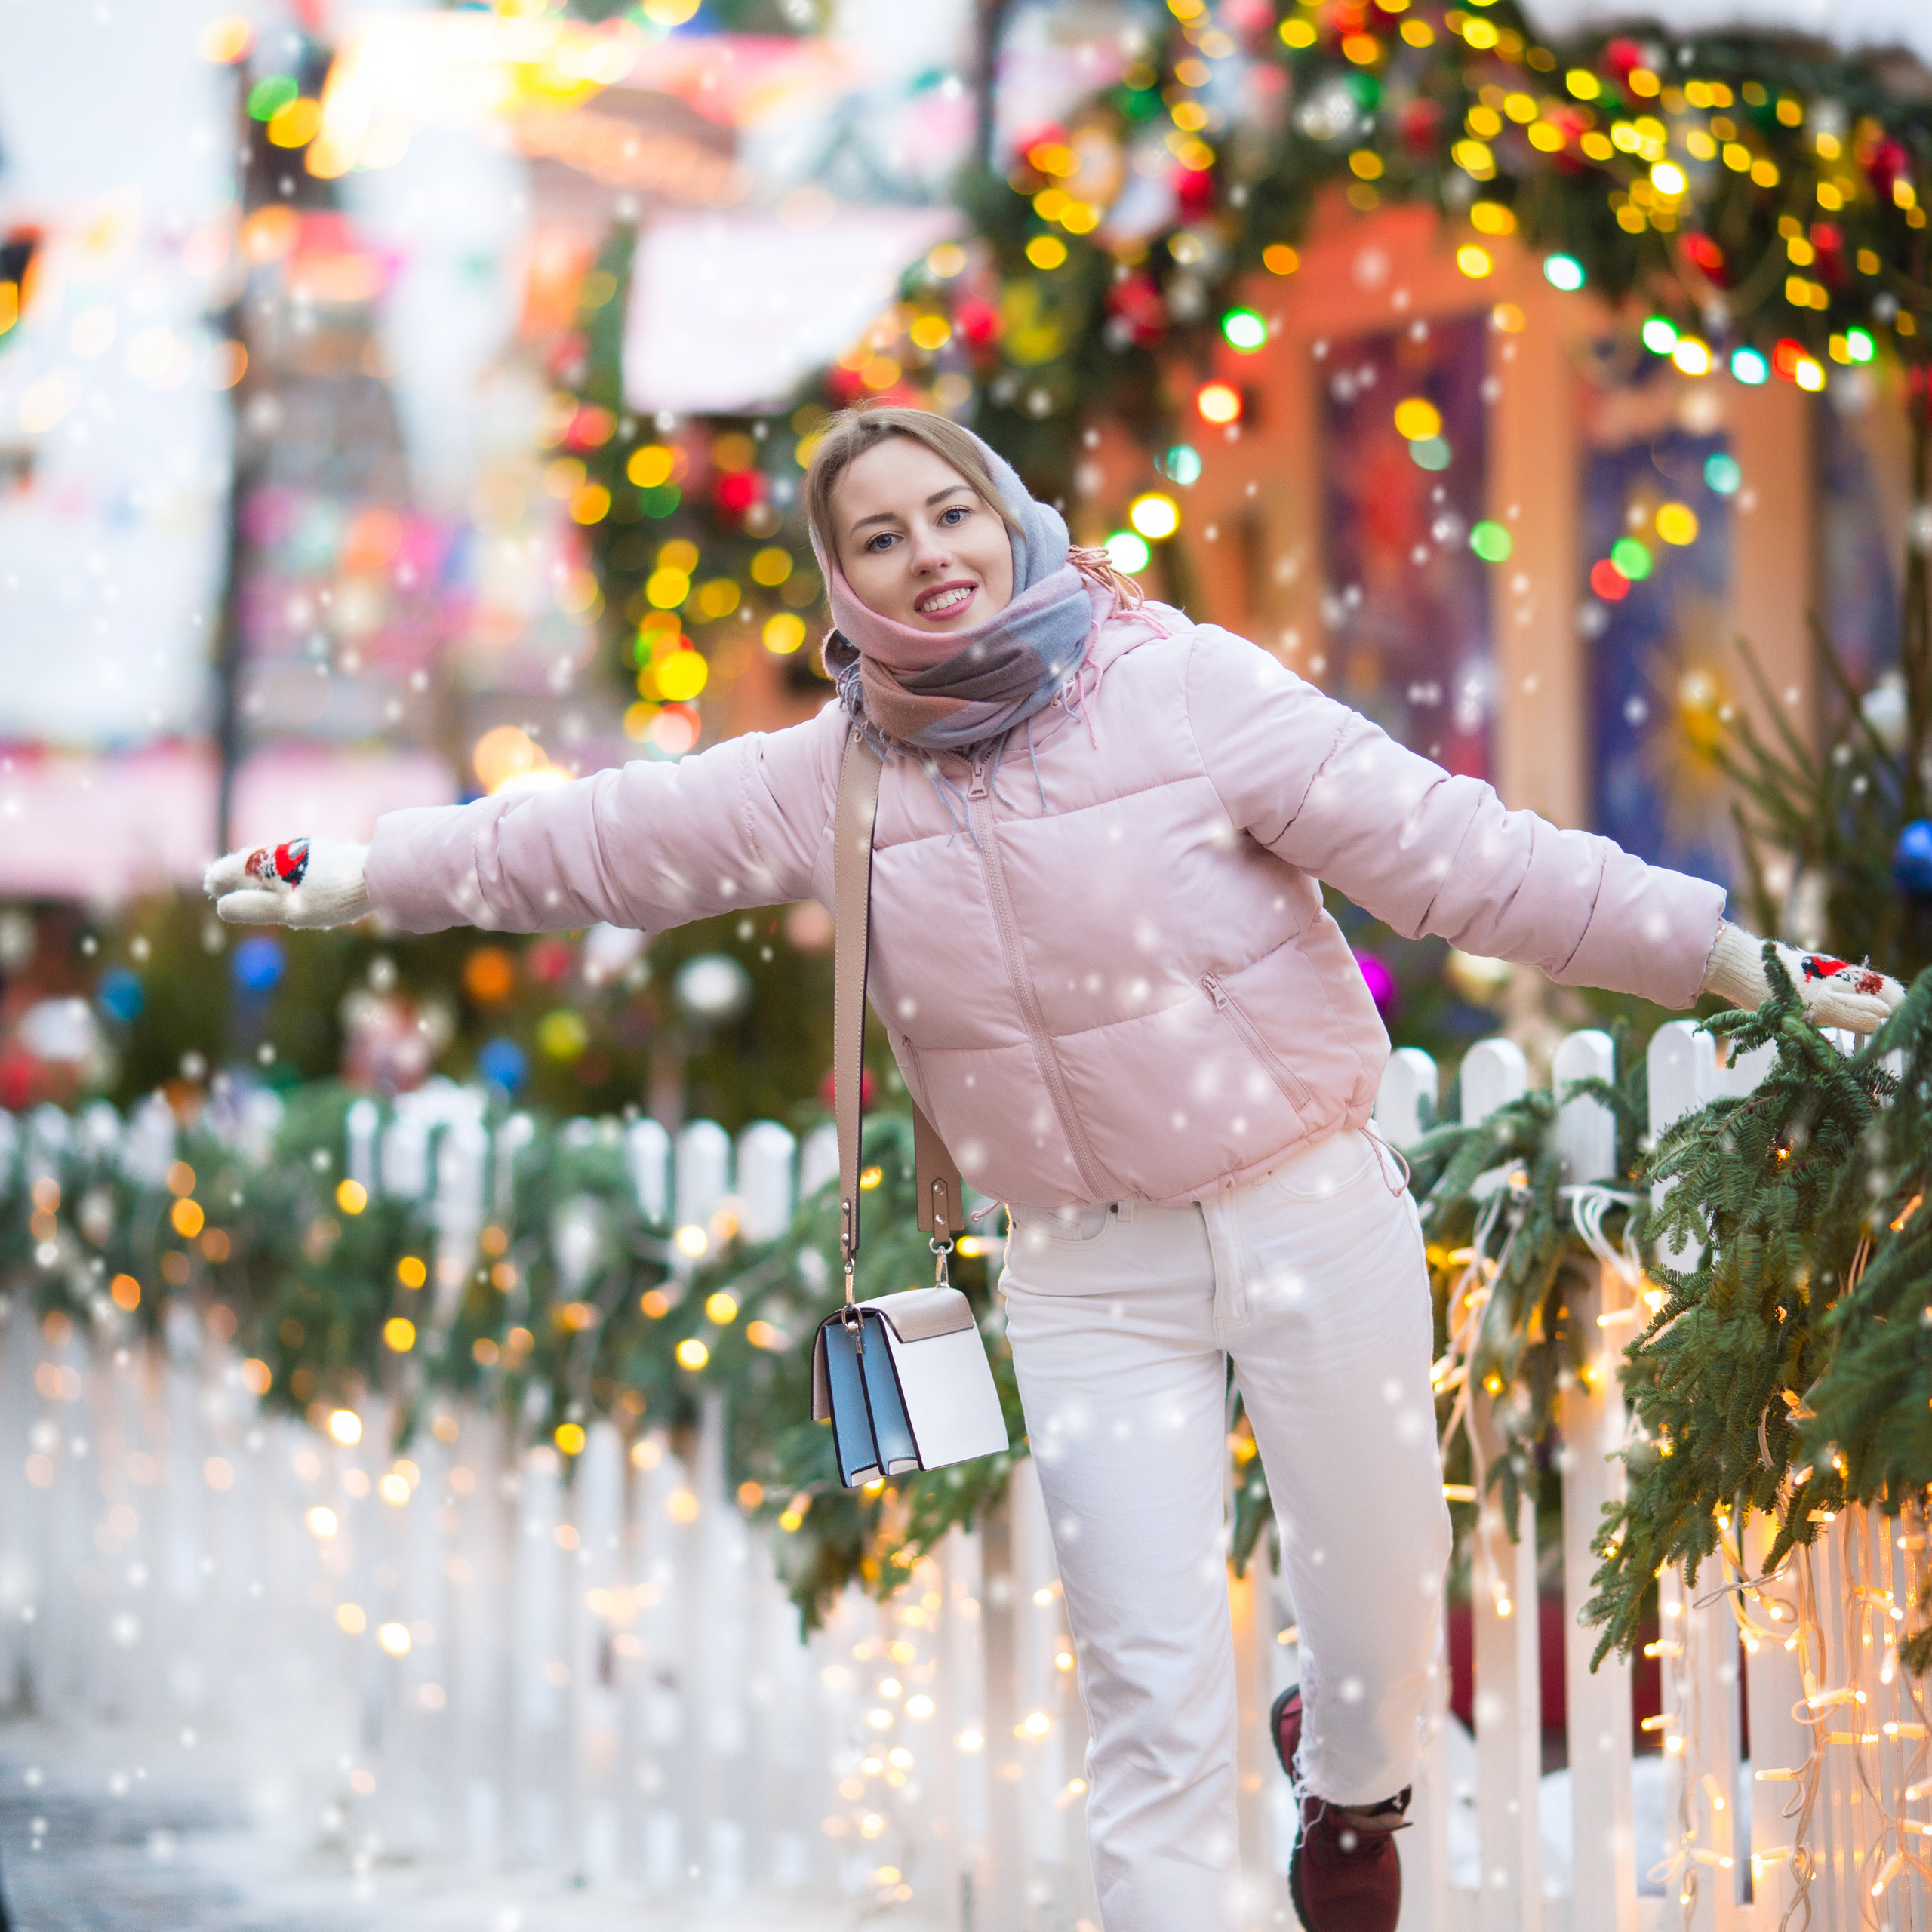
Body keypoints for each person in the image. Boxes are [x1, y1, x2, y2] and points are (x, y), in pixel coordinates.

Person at [206, 406, 1902, 1932]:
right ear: (842, 582)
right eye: (877, 538)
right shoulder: (835, 774)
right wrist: (361, 873)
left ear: (1005, 511)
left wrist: (1728, 962)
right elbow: (589, 839)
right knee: (1149, 1701)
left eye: (945, 513)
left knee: (1379, 1628)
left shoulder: (1183, 687)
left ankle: (1354, 1762)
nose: (925, 557)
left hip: (1309, 1204)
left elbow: (1463, 858)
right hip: (1084, 1272)